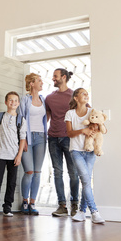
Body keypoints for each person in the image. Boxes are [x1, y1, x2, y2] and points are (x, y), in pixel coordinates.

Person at [65, 88, 105, 224]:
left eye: (87, 93)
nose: (86, 95)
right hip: (76, 151)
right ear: (76, 98)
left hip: (90, 152)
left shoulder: (91, 112)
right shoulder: (70, 114)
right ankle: (94, 212)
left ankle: (81, 212)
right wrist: (83, 130)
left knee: (86, 180)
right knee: (86, 180)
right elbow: (69, 133)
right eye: (83, 93)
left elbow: (102, 126)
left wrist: (95, 130)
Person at [45, 68, 80, 217]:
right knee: (57, 172)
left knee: (73, 172)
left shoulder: (74, 96)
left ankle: (75, 204)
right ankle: (62, 206)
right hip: (52, 138)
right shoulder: (49, 98)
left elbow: (85, 111)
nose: (53, 78)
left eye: (55, 76)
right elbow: (46, 117)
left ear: (63, 77)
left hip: (69, 138)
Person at [19, 73, 47, 216]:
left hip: (41, 138)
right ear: (31, 84)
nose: (42, 82)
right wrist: (22, 141)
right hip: (27, 139)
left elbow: (45, 118)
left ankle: (33, 203)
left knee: (37, 172)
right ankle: (24, 201)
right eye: (39, 80)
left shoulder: (43, 99)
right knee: (29, 171)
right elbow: (21, 120)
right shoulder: (25, 100)